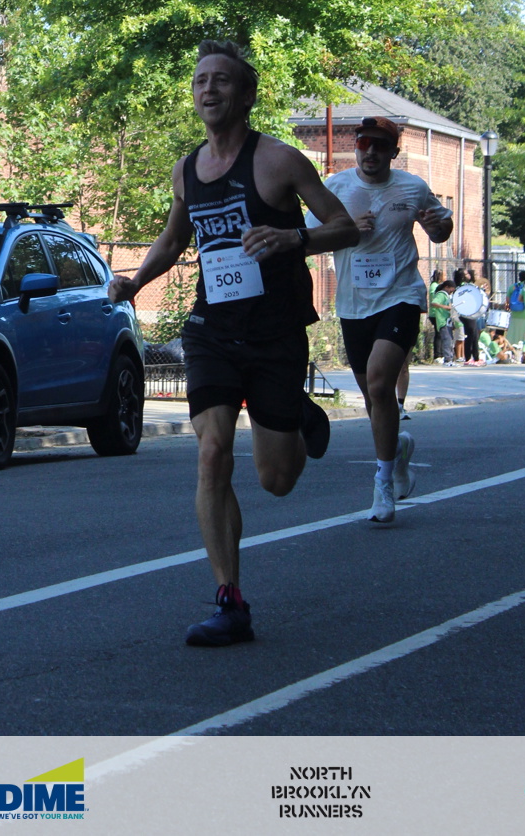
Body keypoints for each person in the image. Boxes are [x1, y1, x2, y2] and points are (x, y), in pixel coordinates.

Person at [107, 41, 358, 647]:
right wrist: (136, 281)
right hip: (212, 331)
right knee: (213, 452)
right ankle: (229, 599)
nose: (208, 89)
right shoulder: (186, 170)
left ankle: (296, 412)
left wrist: (293, 239)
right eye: (200, 81)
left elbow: (345, 226)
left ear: (246, 95)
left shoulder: (278, 161)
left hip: (275, 334)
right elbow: (174, 240)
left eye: (221, 80)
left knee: (276, 479)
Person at [310, 116, 453, 524]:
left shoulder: (412, 187)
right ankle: (397, 450)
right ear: (356, 146)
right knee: (375, 399)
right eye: (363, 143)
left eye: (379, 145)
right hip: (354, 305)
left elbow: (442, 228)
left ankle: (383, 483)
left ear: (394, 152)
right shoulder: (335, 189)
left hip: (401, 296)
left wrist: (439, 227)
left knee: (378, 381)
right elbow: (306, 240)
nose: (370, 151)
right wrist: (345, 231)